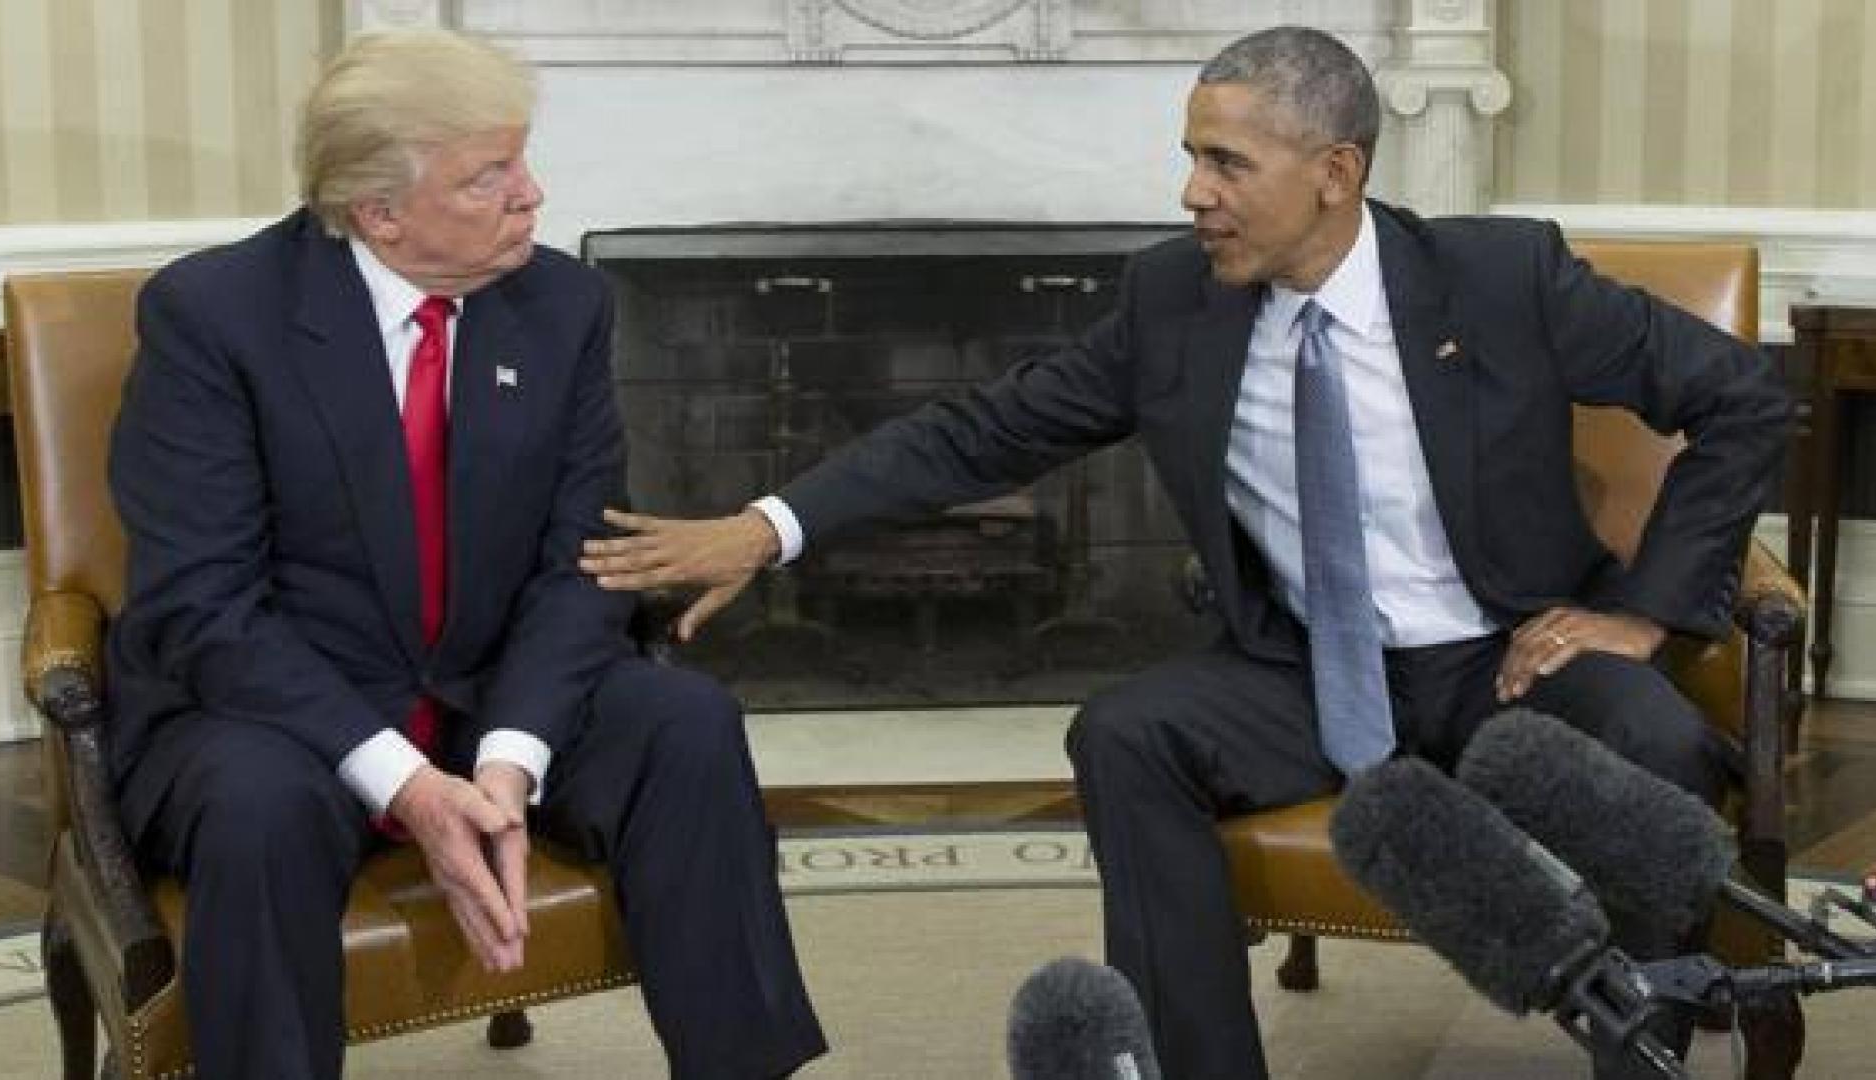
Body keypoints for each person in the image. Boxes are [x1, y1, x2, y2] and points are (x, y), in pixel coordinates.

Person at [580, 24, 1791, 1080]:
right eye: (1190, 157)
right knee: (1127, 730)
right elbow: (983, 431)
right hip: (1307, 671)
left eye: (1225, 162)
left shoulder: (1499, 277)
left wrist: (1639, 616)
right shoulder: (1175, 303)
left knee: (1655, 739)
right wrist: (766, 527)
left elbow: (1739, 396)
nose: (1192, 194)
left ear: (1335, 173)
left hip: (1505, 650)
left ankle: (1642, 1055)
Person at [105, 29, 826, 1080]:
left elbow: (582, 558)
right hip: (278, 712)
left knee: (685, 722)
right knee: (258, 807)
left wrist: (508, 760)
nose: (532, 195)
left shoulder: (562, 306)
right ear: (379, 210)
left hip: (494, 686)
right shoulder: (215, 318)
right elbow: (202, 607)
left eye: (523, 161)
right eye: (491, 175)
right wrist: (405, 782)